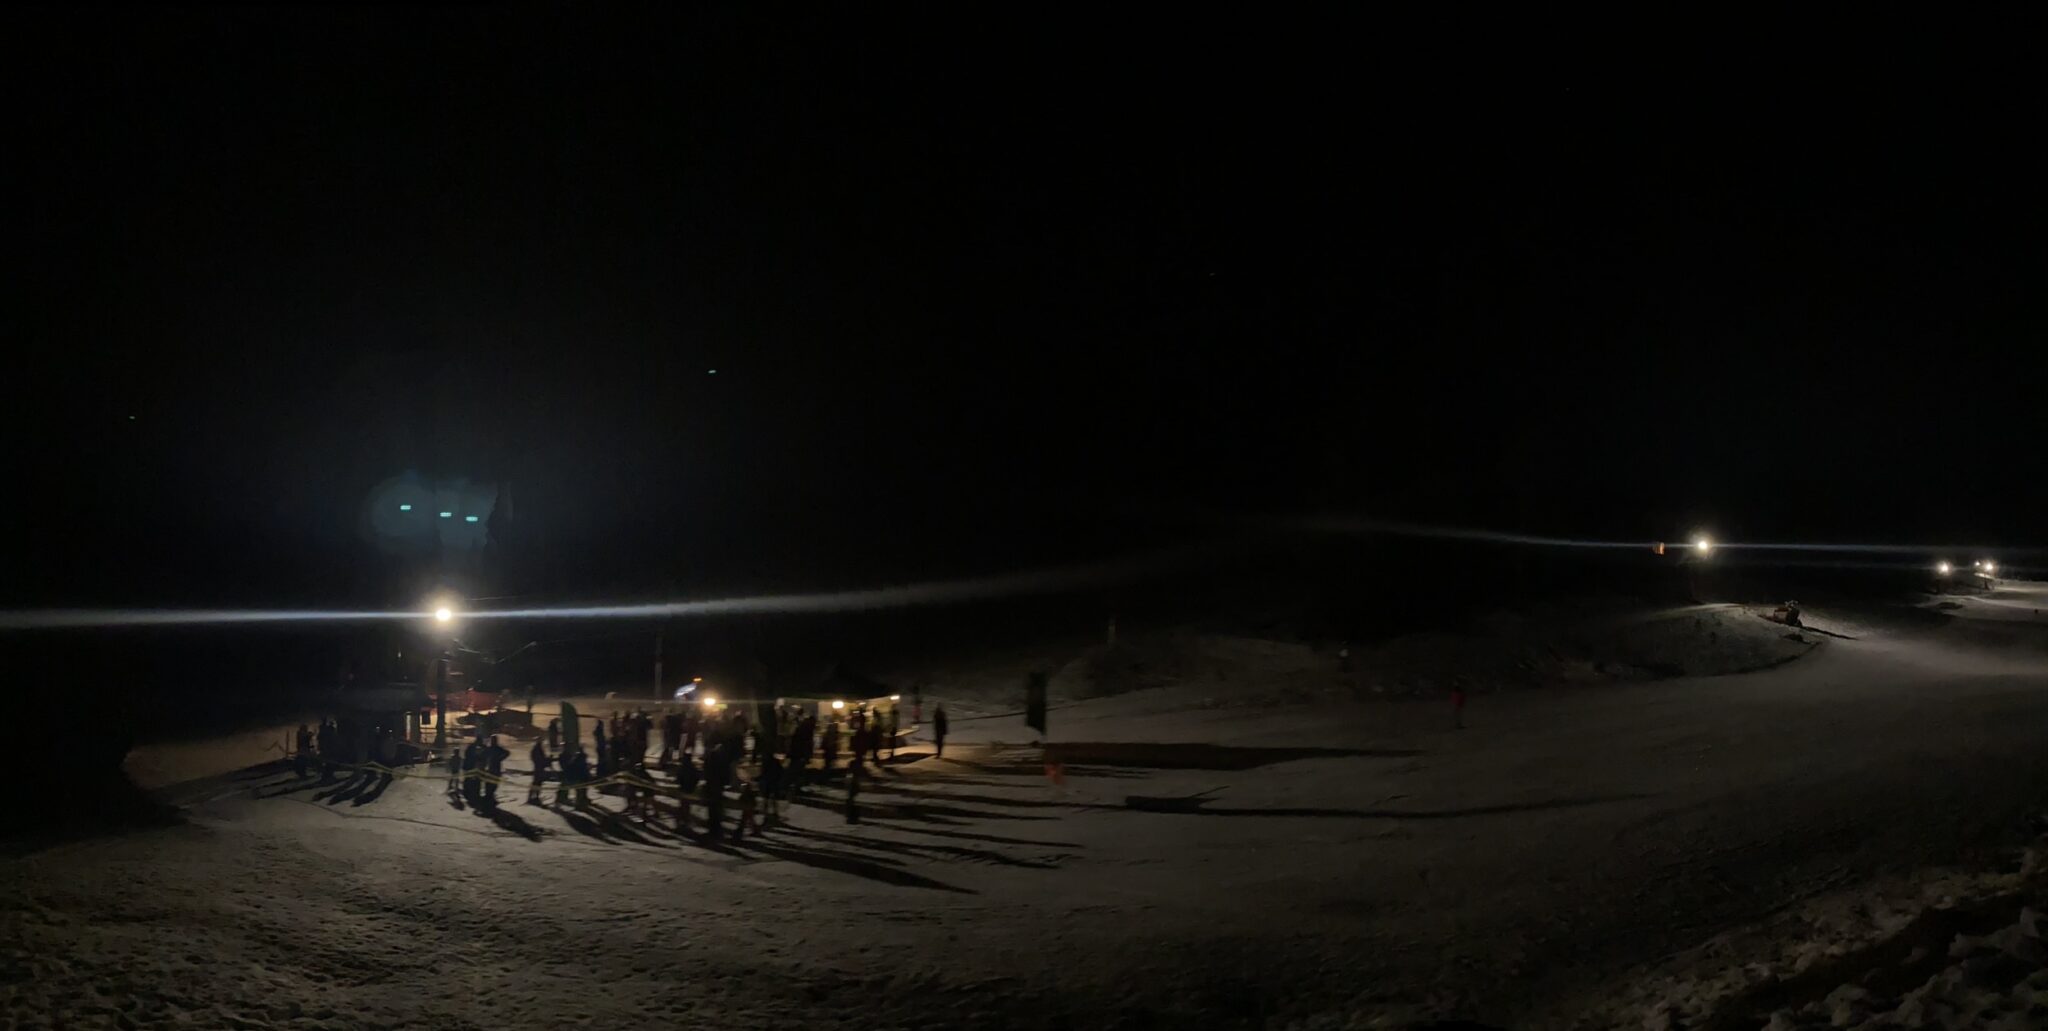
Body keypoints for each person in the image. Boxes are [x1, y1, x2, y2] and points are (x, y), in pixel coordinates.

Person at [483, 735, 509, 806]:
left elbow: (507, 753)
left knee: (493, 784)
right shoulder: (491, 749)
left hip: (493, 769)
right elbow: (483, 755)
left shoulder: (496, 749)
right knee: (490, 784)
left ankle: (489, 797)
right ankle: (489, 797)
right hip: (491, 769)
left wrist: (500, 758)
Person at [760, 752, 785, 823]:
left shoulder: (765, 763)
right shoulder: (776, 762)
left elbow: (763, 772)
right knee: (774, 798)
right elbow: (781, 772)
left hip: (768, 781)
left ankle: (765, 812)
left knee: (766, 797)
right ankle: (775, 812)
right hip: (774, 781)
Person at [528, 738, 551, 805]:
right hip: (539, 768)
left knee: (537, 783)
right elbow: (540, 760)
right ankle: (533, 796)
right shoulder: (537, 750)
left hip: (538, 768)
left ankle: (533, 796)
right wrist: (547, 761)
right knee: (537, 782)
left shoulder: (536, 749)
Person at [844, 757, 863, 824]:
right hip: (851, 792)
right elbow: (851, 784)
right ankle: (851, 818)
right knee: (851, 804)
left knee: (850, 804)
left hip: (851, 792)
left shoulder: (850, 775)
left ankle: (851, 817)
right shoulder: (852, 776)